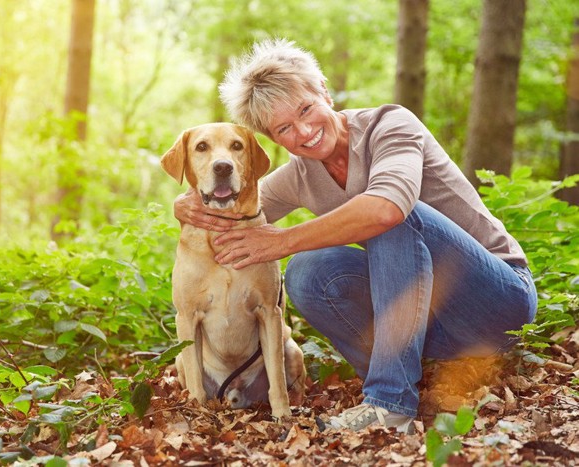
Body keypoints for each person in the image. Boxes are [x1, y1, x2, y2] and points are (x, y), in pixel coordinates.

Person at [173, 38, 537, 433]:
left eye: (306, 109)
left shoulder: (390, 124)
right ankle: (408, 376)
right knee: (306, 271)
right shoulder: (300, 175)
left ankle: (390, 401)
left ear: (325, 92)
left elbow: (386, 208)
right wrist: (186, 205)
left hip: (498, 302)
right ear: (276, 140)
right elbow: (238, 206)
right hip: (437, 329)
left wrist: (281, 240)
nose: (304, 131)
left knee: (394, 217)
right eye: (284, 129)